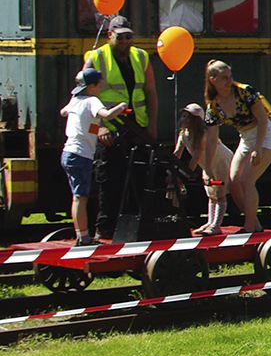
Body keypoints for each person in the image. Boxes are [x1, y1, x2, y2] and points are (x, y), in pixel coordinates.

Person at [84, 18, 160, 239]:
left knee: (139, 179)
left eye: (129, 36)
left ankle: (134, 229)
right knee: (109, 180)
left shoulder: (140, 56)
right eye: (120, 37)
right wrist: (97, 129)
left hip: (137, 127)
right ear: (110, 36)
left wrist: (152, 126)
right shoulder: (96, 58)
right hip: (109, 128)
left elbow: (150, 92)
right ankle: (105, 229)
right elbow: (83, 100)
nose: (125, 41)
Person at [203, 59, 271, 233]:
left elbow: (262, 120)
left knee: (247, 181)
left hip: (265, 136)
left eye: (230, 77)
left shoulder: (245, 92)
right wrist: (207, 168)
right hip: (246, 138)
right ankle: (256, 225)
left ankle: (249, 227)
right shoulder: (213, 105)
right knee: (233, 182)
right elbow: (211, 140)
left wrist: (258, 148)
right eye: (224, 78)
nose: (230, 81)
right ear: (213, 80)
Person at [61, 67, 130, 246]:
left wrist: (89, 123)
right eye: (99, 85)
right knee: (80, 198)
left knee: (77, 196)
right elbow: (107, 115)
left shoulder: (75, 100)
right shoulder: (92, 100)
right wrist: (121, 107)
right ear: (92, 86)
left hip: (68, 152)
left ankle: (81, 234)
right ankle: (83, 238)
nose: (100, 88)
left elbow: (64, 112)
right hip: (80, 155)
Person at [174, 102, 231, 235]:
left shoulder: (202, 135)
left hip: (220, 162)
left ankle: (216, 225)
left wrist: (185, 176)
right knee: (211, 194)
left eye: (187, 117)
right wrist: (171, 170)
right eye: (183, 116)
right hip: (207, 165)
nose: (183, 120)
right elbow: (176, 153)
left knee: (219, 193)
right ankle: (210, 222)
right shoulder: (183, 134)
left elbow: (195, 157)